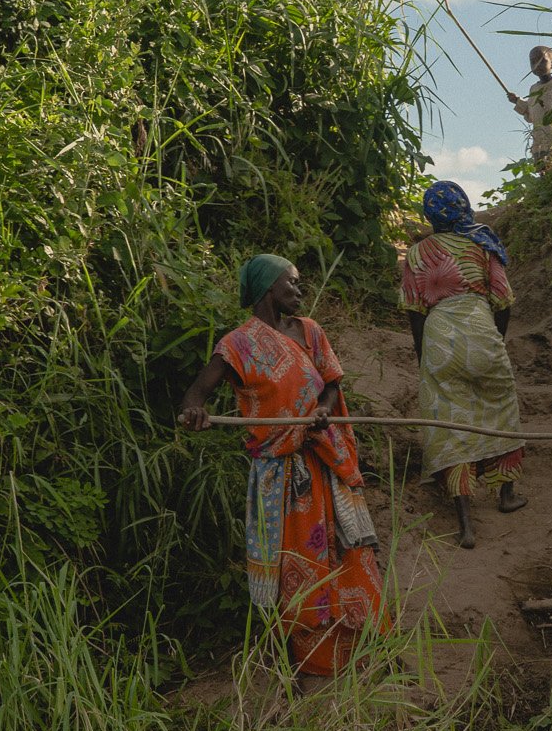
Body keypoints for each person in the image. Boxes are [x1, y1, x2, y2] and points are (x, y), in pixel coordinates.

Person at [178, 254, 383, 678]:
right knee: (297, 566)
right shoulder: (236, 345)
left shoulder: (311, 332)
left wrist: (323, 412)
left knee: (350, 554)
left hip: (325, 462)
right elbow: (196, 395)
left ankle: (368, 647)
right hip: (280, 475)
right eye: (293, 282)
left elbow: (330, 384)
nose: (300, 290)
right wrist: (194, 412)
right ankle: (312, 663)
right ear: (270, 287)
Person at [401, 182, 526, 550]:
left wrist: (425, 357)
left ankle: (466, 526)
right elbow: (503, 301)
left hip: (439, 336)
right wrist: (495, 339)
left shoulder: (417, 253)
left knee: (450, 424)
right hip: (480, 327)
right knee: (501, 409)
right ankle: (506, 495)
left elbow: (414, 312)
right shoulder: (483, 243)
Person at [507, 46, 552, 161]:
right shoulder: (534, 89)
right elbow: (532, 114)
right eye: (533, 62)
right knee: (545, 173)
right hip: (540, 145)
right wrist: (517, 101)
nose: (537, 65)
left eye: (542, 61)